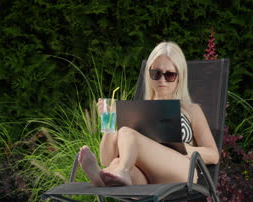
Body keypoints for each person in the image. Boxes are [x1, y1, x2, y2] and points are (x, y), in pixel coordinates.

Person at [79, 41, 219, 187]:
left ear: (179, 77)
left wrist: (183, 148)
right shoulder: (134, 111)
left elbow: (213, 155)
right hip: (146, 179)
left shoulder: (191, 110)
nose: (162, 80)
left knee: (127, 134)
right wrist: (109, 121)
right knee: (115, 162)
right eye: (156, 74)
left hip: (180, 170)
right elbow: (106, 159)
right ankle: (104, 179)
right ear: (149, 74)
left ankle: (116, 171)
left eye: (169, 75)